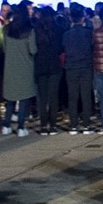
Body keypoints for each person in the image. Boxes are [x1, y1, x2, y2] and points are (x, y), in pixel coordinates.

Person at [0, 7, 37, 137]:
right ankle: (21, 127)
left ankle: (6, 125)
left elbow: (4, 48)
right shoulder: (29, 30)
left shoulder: (6, 30)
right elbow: (32, 50)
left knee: (9, 98)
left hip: (10, 66)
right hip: (25, 66)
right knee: (23, 98)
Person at [61, 5, 94, 134]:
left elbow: (64, 49)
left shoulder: (66, 34)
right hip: (85, 67)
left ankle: (73, 125)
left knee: (72, 96)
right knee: (86, 96)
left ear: (71, 19)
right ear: (83, 18)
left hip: (71, 67)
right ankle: (86, 125)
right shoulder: (88, 33)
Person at [34, 7, 64, 135]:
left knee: (42, 97)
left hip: (41, 65)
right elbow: (61, 48)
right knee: (53, 96)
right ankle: (53, 125)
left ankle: (43, 125)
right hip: (54, 65)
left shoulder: (36, 30)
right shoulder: (59, 29)